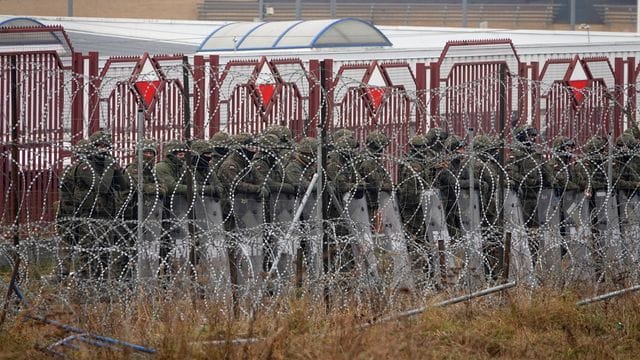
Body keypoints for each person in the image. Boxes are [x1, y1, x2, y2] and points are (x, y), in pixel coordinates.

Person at [64, 129, 127, 281]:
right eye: (99, 145)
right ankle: (85, 283)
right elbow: (102, 187)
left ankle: (101, 283)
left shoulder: (107, 165)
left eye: (106, 145)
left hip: (106, 214)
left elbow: (124, 185)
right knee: (89, 251)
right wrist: (109, 166)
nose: (103, 148)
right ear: (93, 146)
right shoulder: (85, 166)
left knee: (104, 252)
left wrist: (117, 171)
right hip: (89, 215)